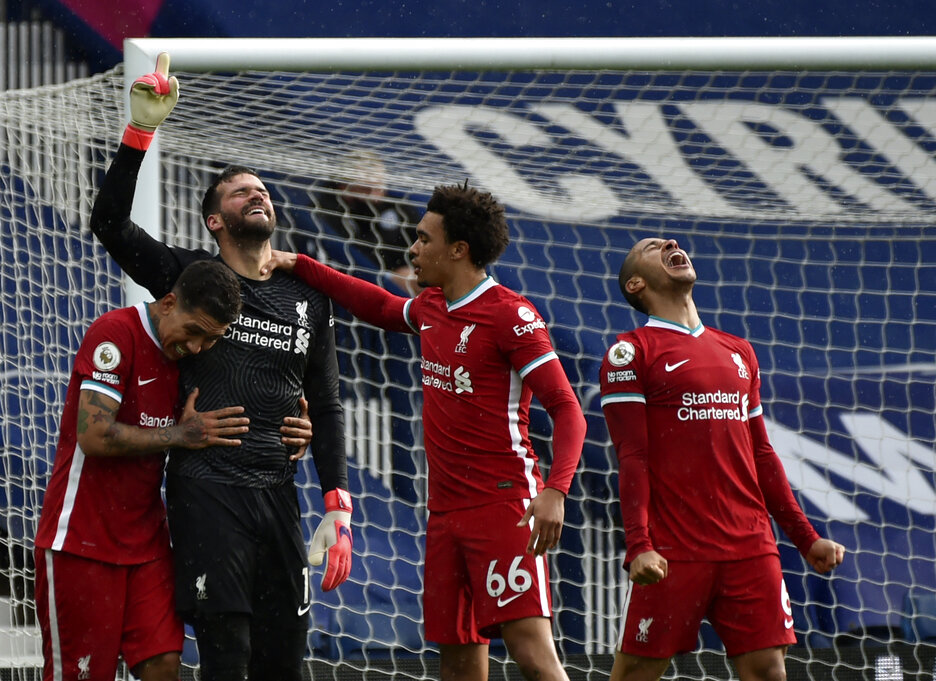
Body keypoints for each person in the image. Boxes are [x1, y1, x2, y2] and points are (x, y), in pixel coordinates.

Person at [87, 53, 352, 681]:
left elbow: (328, 398)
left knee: (284, 661)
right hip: (209, 489)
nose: (257, 193)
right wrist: (140, 133)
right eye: (241, 191)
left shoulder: (307, 297)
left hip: (279, 493)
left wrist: (337, 504)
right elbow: (108, 222)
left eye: (263, 189)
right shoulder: (190, 280)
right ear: (215, 219)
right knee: (226, 656)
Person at [262, 182, 587, 681]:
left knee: (532, 651)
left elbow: (568, 409)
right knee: (457, 659)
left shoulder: (511, 315)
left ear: (458, 250)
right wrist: (301, 265)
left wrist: (556, 490)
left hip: (503, 506)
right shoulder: (432, 308)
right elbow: (380, 306)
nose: (413, 249)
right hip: (444, 515)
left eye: (423, 239)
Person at [34, 260, 312, 681]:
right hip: (81, 540)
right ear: (167, 303)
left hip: (147, 543)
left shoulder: (184, 356)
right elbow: (93, 436)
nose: (198, 347)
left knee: (163, 663)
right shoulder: (115, 334)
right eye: (194, 332)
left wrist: (292, 427)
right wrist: (181, 436)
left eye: (210, 339)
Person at [598, 237, 846, 681]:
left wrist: (806, 539)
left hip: (750, 546)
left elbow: (762, 455)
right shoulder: (631, 352)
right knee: (635, 674)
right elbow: (631, 456)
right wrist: (639, 545)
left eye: (669, 241)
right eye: (652, 246)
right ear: (636, 283)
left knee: (769, 672)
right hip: (675, 549)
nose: (671, 243)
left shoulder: (739, 351)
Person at [288, 149, 420, 295]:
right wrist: (389, 278)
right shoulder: (321, 214)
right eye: (367, 189)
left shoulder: (396, 206)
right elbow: (344, 261)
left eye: (380, 187)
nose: (376, 196)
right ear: (344, 187)